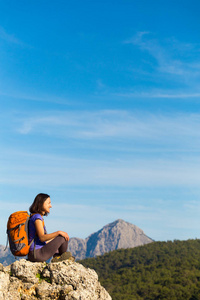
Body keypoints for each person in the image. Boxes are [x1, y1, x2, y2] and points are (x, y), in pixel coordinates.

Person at [28, 193, 72, 263]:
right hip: (37, 254)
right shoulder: (37, 217)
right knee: (62, 237)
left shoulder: (35, 216)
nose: (50, 206)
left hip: (35, 253)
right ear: (41, 203)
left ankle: (59, 257)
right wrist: (59, 232)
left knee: (61, 236)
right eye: (49, 203)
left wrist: (55, 239)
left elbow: (41, 240)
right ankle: (60, 258)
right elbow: (42, 238)